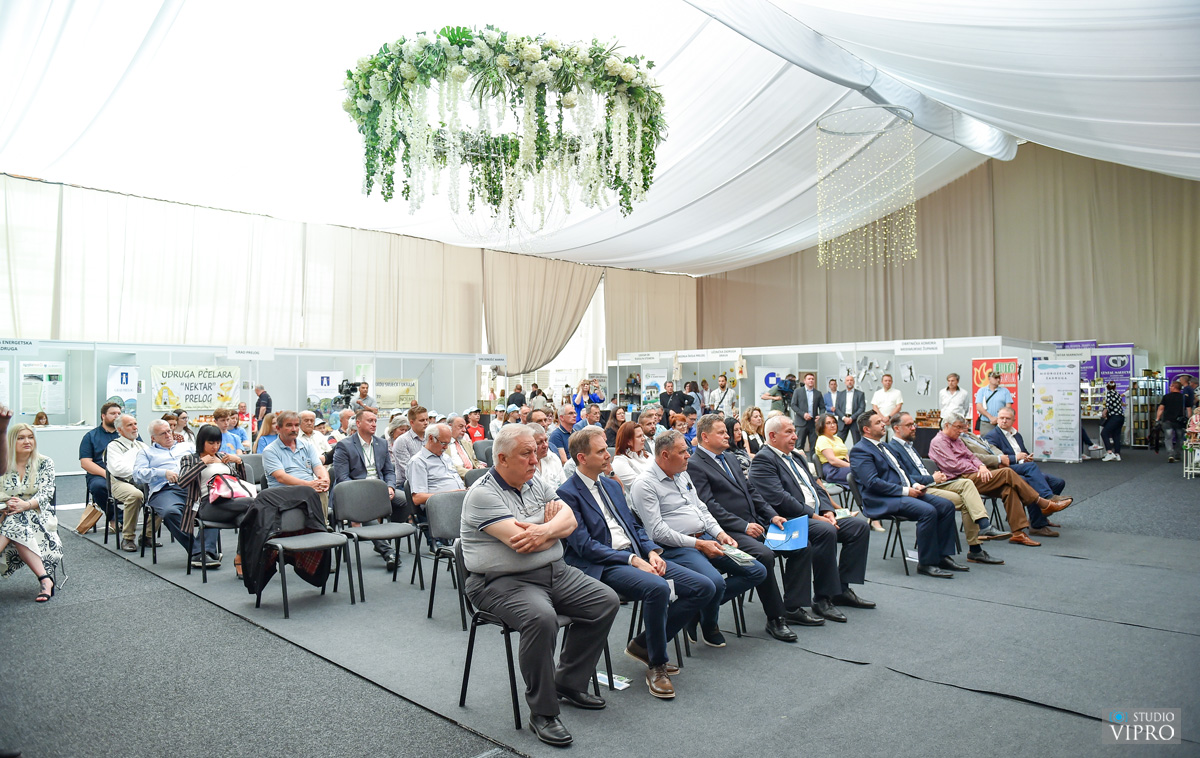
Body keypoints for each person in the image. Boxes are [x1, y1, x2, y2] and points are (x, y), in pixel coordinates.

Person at [459, 424, 619, 746]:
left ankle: (568, 683)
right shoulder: (482, 494)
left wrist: (544, 531)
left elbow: (570, 521)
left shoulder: (535, 481)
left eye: (536, 451)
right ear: (502, 458)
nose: (536, 458)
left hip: (554, 571)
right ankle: (543, 712)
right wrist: (550, 526)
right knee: (541, 618)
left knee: (605, 600)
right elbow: (520, 541)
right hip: (501, 582)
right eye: (526, 453)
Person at [558, 426, 715, 699]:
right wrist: (631, 558)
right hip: (604, 564)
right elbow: (585, 547)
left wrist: (652, 551)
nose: (608, 455)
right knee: (658, 588)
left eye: (606, 449)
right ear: (582, 458)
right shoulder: (567, 493)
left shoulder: (610, 484)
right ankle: (656, 665)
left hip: (635, 556)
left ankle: (644, 644)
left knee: (704, 587)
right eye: (600, 451)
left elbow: (634, 525)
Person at [627, 429, 767, 649]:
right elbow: (657, 532)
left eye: (688, 451)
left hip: (706, 538)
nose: (688, 456)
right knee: (715, 582)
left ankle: (697, 610)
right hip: (676, 547)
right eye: (683, 452)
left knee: (757, 570)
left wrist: (720, 533)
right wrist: (699, 544)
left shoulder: (682, 472)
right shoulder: (645, 484)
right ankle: (709, 623)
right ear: (665, 455)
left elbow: (701, 508)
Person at [687, 414, 820, 642]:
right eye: (721, 432)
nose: (728, 435)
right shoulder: (695, 464)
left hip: (756, 523)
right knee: (764, 556)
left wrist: (773, 515)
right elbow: (709, 506)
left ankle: (792, 607)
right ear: (705, 437)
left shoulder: (728, 458)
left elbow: (752, 492)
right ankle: (775, 618)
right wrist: (744, 525)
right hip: (728, 531)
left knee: (801, 545)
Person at [749, 415, 874, 619]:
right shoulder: (763, 460)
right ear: (772, 436)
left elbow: (817, 487)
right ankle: (823, 598)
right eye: (788, 432)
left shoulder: (796, 456)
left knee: (858, 528)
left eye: (794, 431)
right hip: (785, 520)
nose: (794, 436)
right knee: (826, 531)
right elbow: (780, 499)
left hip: (815, 515)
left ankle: (841, 590)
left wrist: (827, 511)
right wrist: (816, 516)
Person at [849, 411, 963, 579]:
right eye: (878, 422)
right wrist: (906, 491)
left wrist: (915, 484)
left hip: (900, 492)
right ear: (866, 429)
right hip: (881, 499)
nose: (883, 424)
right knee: (928, 511)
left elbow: (901, 471)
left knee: (946, 506)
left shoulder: (884, 446)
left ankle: (942, 556)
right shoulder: (860, 451)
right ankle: (926, 563)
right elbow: (873, 483)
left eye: (882, 421)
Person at [888, 413, 1009, 565]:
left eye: (914, 424)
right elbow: (904, 478)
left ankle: (984, 525)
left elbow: (969, 457)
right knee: (967, 500)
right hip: (920, 488)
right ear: (896, 428)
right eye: (909, 425)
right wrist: (932, 478)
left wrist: (935, 478)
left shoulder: (910, 446)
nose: (914, 428)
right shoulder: (892, 449)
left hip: (933, 482)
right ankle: (976, 548)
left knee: (966, 484)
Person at [928, 414, 1053, 547]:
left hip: (973, 475)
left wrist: (981, 466)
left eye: (962, 427)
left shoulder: (956, 439)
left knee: (1008, 489)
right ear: (946, 425)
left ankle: (1018, 533)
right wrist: (978, 469)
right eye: (958, 427)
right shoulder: (939, 442)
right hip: (960, 479)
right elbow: (954, 466)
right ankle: (1041, 502)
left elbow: (971, 456)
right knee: (1007, 473)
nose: (961, 431)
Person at [134, 420, 221, 568]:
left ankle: (204, 552)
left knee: (215, 505)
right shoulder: (146, 453)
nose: (168, 435)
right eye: (163, 433)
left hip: (193, 487)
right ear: (153, 438)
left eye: (169, 431)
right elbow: (137, 475)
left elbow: (210, 454)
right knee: (170, 512)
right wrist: (163, 473)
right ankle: (199, 552)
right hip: (165, 490)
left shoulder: (187, 447)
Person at [967, 418, 1071, 537]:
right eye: (1001, 418)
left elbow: (998, 451)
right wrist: (1012, 458)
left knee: (1057, 482)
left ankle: (1042, 514)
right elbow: (987, 456)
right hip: (1001, 467)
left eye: (1007, 418)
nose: (1004, 421)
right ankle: (1039, 519)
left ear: (1013, 420)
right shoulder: (992, 435)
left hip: (1019, 466)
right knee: (1031, 481)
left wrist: (1025, 458)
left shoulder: (1016, 435)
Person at [331, 409, 404, 571]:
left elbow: (389, 472)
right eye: (369, 421)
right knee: (365, 508)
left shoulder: (382, 443)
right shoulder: (344, 445)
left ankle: (386, 537)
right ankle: (388, 551)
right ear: (358, 424)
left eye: (375, 421)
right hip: (354, 492)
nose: (374, 424)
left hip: (379, 489)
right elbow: (342, 478)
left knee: (405, 501)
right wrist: (364, 492)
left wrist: (391, 487)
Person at [178, 423, 253, 577]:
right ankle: (246, 557)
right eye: (211, 443)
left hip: (231, 502)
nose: (215, 446)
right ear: (202, 442)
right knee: (254, 503)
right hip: (207, 505)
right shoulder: (190, 459)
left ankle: (241, 558)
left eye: (218, 442)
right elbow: (182, 481)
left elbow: (240, 484)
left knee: (247, 519)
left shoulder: (222, 457)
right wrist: (202, 463)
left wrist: (238, 462)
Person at [1, 422, 62, 602]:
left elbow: (46, 493)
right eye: (21, 438)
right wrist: (8, 504)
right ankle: (45, 580)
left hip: (37, 515)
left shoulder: (45, 462)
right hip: (4, 513)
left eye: (30, 437)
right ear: (12, 441)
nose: (27, 441)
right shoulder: (2, 464)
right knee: (15, 516)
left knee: (16, 517)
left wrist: (25, 505)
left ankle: (44, 580)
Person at [261, 411, 330, 517]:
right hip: (283, 492)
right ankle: (320, 526)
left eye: (296, 425)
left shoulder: (307, 446)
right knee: (315, 492)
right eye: (289, 425)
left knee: (321, 489)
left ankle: (322, 526)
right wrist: (308, 485)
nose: (294, 429)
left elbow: (318, 466)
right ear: (278, 428)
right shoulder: (270, 451)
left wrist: (324, 480)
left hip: (308, 488)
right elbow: (281, 478)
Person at [105, 414, 152, 552]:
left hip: (141, 481)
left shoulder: (141, 445)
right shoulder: (113, 446)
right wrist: (140, 472)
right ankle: (128, 538)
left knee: (161, 492)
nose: (135, 427)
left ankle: (147, 535)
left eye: (135, 424)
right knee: (135, 495)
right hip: (120, 482)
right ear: (120, 430)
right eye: (130, 425)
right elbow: (118, 469)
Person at [79, 401, 122, 528]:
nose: (117, 416)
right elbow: (85, 463)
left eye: (119, 413)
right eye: (113, 413)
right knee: (98, 487)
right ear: (103, 416)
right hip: (100, 474)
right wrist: (106, 474)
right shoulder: (91, 436)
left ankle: (134, 519)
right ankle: (117, 517)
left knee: (146, 486)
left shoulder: (127, 433)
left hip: (124, 473)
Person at [406, 423, 466, 512]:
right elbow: (417, 498)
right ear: (431, 438)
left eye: (448, 443)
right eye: (443, 443)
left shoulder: (446, 457)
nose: (446, 447)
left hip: (458, 501)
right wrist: (450, 495)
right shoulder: (418, 462)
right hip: (440, 507)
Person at [392, 406, 429, 488]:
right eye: (422, 420)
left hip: (429, 480)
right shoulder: (402, 441)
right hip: (407, 484)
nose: (426, 423)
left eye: (427, 419)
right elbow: (407, 471)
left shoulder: (430, 438)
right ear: (412, 423)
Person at [610, 421, 654, 487]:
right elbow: (640, 487)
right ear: (628, 441)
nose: (643, 439)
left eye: (643, 435)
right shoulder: (620, 462)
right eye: (639, 436)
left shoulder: (648, 456)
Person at [790, 372, 825, 453]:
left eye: (812, 379)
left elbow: (822, 407)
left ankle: (813, 464)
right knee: (799, 446)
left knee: (814, 446)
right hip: (801, 422)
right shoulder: (798, 391)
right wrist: (803, 414)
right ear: (805, 380)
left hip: (813, 423)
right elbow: (793, 405)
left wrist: (820, 416)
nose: (811, 381)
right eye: (809, 379)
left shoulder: (818, 393)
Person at [814, 413, 852, 485]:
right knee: (861, 472)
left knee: (865, 469)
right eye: (828, 423)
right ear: (822, 426)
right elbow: (832, 460)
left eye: (834, 422)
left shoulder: (837, 438)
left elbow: (845, 454)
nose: (832, 425)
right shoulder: (822, 439)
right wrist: (851, 466)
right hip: (832, 470)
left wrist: (853, 463)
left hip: (843, 465)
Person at [974, 371, 1012, 436]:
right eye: (995, 378)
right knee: (987, 443)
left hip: (1002, 423)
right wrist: (990, 417)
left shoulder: (1005, 391)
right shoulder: (982, 391)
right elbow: (979, 407)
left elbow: (1008, 408)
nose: (998, 380)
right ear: (989, 379)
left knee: (1002, 443)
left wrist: (998, 419)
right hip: (986, 423)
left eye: (999, 378)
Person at [530, 423, 567, 491]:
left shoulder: (553, 458)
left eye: (546, 440)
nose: (545, 445)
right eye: (539, 443)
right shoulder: (524, 467)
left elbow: (565, 486)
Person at [1158, 381, 1187, 463]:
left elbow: (1161, 408)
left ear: (1174, 387)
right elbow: (1188, 409)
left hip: (1167, 420)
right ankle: (1177, 455)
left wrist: (1157, 418)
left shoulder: (1166, 397)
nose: (1170, 387)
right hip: (1180, 421)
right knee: (1180, 438)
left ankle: (1170, 454)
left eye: (1171, 386)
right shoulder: (1184, 397)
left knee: (1168, 438)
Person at [832, 375, 866, 443]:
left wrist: (851, 418)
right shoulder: (840, 394)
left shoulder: (860, 394)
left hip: (855, 421)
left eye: (851, 380)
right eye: (848, 380)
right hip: (843, 421)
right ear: (845, 382)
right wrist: (844, 418)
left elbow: (861, 408)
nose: (849, 382)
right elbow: (837, 408)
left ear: (854, 382)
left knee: (857, 442)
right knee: (839, 442)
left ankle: (857, 454)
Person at [1100, 382, 1126, 461]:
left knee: (1104, 433)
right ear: (1115, 387)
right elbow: (1120, 404)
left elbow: (1108, 405)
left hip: (1114, 417)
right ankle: (1117, 454)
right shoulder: (1117, 394)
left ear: (1107, 388)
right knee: (1116, 435)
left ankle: (1109, 452)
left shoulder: (1109, 394)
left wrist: (1104, 413)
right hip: (1120, 417)